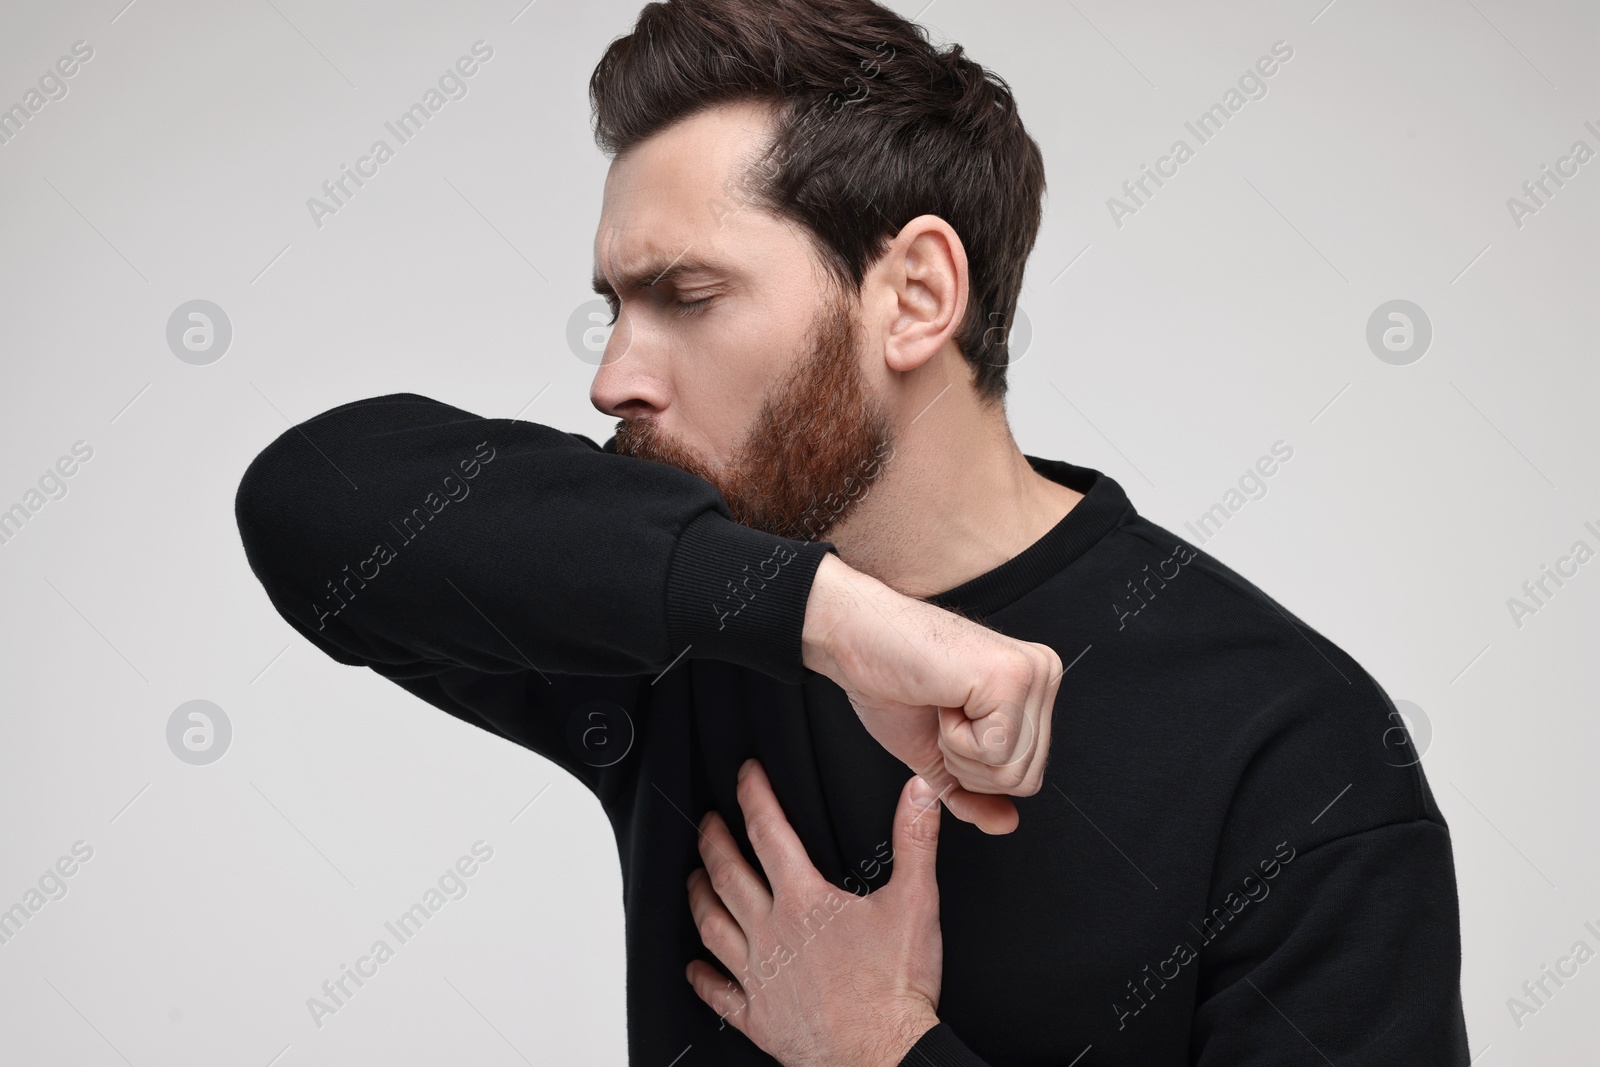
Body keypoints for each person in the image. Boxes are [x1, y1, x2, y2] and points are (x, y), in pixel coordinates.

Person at [233, 0, 1470, 1062]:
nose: (612, 376)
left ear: (916, 296)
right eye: (615, 305)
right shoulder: (684, 626)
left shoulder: (1294, 746)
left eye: (687, 296)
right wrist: (829, 623)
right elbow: (311, 496)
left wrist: (882, 1046)